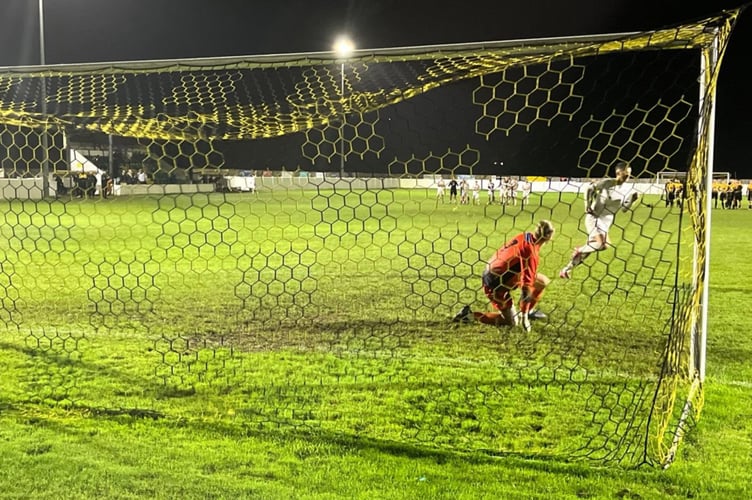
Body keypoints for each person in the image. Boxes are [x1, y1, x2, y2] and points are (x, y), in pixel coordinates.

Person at [453, 220, 555, 331]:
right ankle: (468, 315)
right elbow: (526, 287)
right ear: (549, 238)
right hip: (495, 284)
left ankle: (528, 311)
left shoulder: (525, 236)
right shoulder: (531, 254)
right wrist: (524, 318)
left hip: (494, 271)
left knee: (542, 281)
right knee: (511, 322)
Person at [560, 160, 639, 279]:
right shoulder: (607, 183)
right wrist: (587, 204)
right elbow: (588, 188)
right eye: (626, 173)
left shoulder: (628, 189)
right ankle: (579, 249)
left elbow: (624, 209)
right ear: (618, 172)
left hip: (607, 222)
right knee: (604, 244)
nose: (628, 176)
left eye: (629, 174)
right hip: (594, 217)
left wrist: (632, 200)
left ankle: (566, 270)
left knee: (590, 249)